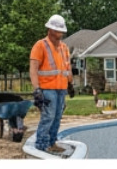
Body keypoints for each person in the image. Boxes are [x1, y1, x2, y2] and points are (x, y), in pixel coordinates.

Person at [30, 14, 71, 155]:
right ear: (50, 30)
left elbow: (67, 68)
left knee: (57, 117)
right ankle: (41, 145)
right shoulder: (40, 45)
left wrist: (70, 84)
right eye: (58, 30)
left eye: (61, 31)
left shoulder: (64, 48)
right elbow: (33, 69)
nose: (60, 34)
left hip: (61, 88)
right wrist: (37, 90)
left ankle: (52, 143)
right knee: (48, 117)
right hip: (47, 88)